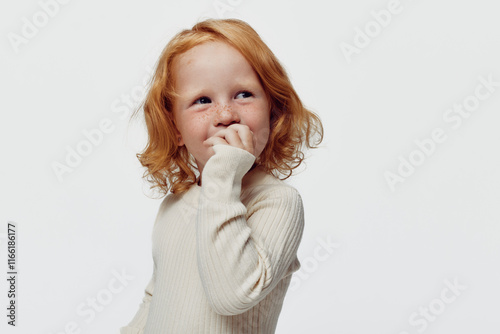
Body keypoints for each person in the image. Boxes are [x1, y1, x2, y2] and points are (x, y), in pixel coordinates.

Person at [120, 18, 323, 334]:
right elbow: (157, 297)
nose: (226, 115)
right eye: (202, 101)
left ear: (273, 112)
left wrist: (224, 173)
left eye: (243, 94)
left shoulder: (278, 203)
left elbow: (231, 295)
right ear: (176, 129)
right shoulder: (176, 204)